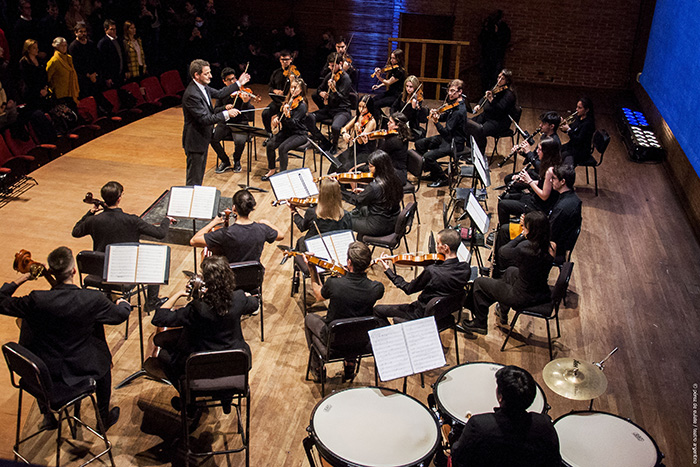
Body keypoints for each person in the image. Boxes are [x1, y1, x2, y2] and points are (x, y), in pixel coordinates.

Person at [0, 246, 131, 430]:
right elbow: (120, 315)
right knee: (103, 359)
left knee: (32, 337)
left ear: (51, 271)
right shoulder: (92, 298)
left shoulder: (37, 300)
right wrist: (123, 303)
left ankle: (47, 415)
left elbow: (0, 301)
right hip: (80, 367)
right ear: (74, 271)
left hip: (43, 370)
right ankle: (103, 418)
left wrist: (25, 276)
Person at [151, 255, 258, 399]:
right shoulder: (238, 298)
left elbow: (159, 318)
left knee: (163, 355)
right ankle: (225, 398)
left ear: (207, 282)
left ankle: (188, 401)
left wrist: (179, 294)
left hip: (202, 367)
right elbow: (254, 304)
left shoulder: (197, 308)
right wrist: (246, 296)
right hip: (235, 365)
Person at [71, 180, 172, 310]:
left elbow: (76, 232)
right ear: (119, 199)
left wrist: (90, 212)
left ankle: (107, 293)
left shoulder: (94, 220)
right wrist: (166, 220)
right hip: (126, 271)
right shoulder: (132, 220)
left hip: (101, 270)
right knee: (157, 259)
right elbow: (160, 233)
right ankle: (152, 301)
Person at [458, 211, 555, 336]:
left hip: (523, 296)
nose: (523, 229)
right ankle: (502, 312)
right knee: (510, 271)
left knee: (479, 283)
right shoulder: (551, 246)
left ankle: (480, 323)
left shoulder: (526, 248)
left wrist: (521, 235)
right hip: (541, 290)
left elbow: (504, 252)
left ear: (532, 230)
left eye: (525, 227)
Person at [450, 365, 561, 467]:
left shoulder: (479, 425)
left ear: (500, 398)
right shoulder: (544, 425)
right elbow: (554, 462)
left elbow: (458, 457)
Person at [304, 241, 384, 381]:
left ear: (349, 262)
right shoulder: (377, 288)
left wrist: (312, 268)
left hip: (334, 341)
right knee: (354, 322)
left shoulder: (335, 284)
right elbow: (358, 290)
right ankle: (350, 365)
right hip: (360, 341)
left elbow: (318, 295)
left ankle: (317, 369)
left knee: (309, 318)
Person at [374, 228, 472, 325]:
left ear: (446, 247)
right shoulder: (466, 268)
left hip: (421, 312)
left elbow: (408, 289)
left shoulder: (432, 271)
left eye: (438, 244)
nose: (436, 248)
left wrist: (388, 271)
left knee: (377, 310)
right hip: (444, 310)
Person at [181, 58, 250, 186]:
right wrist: (226, 114)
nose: (210, 76)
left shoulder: (203, 87)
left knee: (199, 176)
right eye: (206, 73)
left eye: (210, 72)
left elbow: (219, 93)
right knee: (194, 179)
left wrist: (239, 83)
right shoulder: (192, 94)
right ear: (197, 75)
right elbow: (205, 119)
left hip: (202, 139)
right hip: (195, 141)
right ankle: (190, 203)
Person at [190, 189, 283, 263]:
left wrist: (213, 223)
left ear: (234, 208)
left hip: (229, 281)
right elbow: (280, 236)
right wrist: (267, 223)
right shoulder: (262, 229)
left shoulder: (225, 233)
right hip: (253, 280)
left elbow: (194, 241)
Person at [414, 79, 468, 188]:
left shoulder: (459, 111)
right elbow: (446, 116)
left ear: (460, 92)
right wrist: (438, 115)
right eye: (449, 91)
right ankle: (434, 173)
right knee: (419, 144)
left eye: (453, 91)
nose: (450, 94)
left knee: (428, 156)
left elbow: (446, 132)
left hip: (454, 142)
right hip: (447, 137)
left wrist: (436, 122)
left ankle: (443, 178)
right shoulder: (453, 104)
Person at [497, 137, 561, 226]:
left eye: (540, 149)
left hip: (538, 207)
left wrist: (529, 181)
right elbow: (542, 184)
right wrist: (525, 181)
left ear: (547, 153)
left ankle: (506, 231)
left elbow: (544, 196)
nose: (537, 151)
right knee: (503, 198)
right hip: (533, 199)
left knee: (502, 205)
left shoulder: (551, 170)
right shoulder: (546, 164)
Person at [305, 52, 353, 154]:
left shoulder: (346, 79)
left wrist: (334, 90)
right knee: (309, 118)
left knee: (335, 127)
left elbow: (342, 99)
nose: (330, 68)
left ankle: (334, 146)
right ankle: (324, 142)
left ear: (340, 64)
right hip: (330, 109)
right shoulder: (330, 75)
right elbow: (318, 89)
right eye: (330, 65)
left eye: (332, 66)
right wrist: (321, 93)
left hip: (342, 110)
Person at [262, 78, 309, 180]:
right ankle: (272, 169)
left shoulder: (302, 105)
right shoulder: (288, 101)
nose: (293, 90)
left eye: (296, 88)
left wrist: (288, 116)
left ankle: (283, 175)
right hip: (287, 132)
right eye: (292, 87)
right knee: (270, 144)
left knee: (282, 148)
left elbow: (294, 124)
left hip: (299, 134)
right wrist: (277, 119)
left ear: (301, 90)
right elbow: (280, 115)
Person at [349, 150, 403, 239]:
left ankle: (356, 248)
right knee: (359, 210)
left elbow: (357, 200)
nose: (369, 169)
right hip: (394, 221)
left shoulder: (374, 187)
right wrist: (366, 192)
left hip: (379, 227)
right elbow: (384, 196)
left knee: (345, 220)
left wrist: (338, 192)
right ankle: (361, 244)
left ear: (379, 167)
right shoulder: (395, 177)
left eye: (371, 166)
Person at [211, 68, 253, 174]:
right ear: (224, 81)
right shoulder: (222, 94)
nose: (233, 82)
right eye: (229, 80)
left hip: (240, 123)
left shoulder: (242, 92)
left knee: (240, 141)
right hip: (225, 123)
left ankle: (236, 160)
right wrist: (225, 107)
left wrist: (245, 103)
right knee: (212, 139)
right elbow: (215, 111)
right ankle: (225, 161)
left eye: (234, 79)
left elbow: (249, 114)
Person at [465, 69, 517, 156]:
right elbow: (486, 97)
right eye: (499, 77)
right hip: (488, 116)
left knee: (479, 131)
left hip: (499, 121)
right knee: (468, 125)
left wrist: (491, 99)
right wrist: (479, 104)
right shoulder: (497, 88)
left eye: (502, 79)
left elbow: (501, 109)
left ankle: (478, 155)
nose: (499, 80)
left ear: (508, 81)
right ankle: (469, 152)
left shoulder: (509, 94)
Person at [262, 50, 300, 143]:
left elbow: (299, 88)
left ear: (291, 60)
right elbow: (270, 87)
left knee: (283, 118)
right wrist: (275, 91)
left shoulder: (295, 73)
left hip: (289, 103)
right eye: (283, 60)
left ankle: (285, 136)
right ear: (280, 60)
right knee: (265, 113)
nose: (285, 62)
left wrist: (292, 80)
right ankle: (269, 134)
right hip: (278, 102)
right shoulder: (276, 73)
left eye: (287, 60)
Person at [333, 94, 377, 173]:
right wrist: (344, 134)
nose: (361, 110)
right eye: (359, 106)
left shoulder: (371, 122)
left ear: (369, 107)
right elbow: (344, 128)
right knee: (335, 163)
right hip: (355, 148)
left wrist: (357, 129)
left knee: (345, 168)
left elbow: (360, 141)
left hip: (365, 152)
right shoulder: (359, 116)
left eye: (364, 107)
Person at [371, 48, 406, 121]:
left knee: (376, 105)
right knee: (372, 101)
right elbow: (388, 82)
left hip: (396, 96)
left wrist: (378, 77)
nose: (391, 60)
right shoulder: (393, 68)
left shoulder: (400, 71)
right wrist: (379, 86)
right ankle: (383, 118)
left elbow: (388, 82)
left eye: (394, 58)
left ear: (399, 59)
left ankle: (384, 121)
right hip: (390, 92)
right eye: (391, 58)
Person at [68, 23, 101, 99]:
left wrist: (95, 73)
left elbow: (96, 59)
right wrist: (88, 75)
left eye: (84, 31)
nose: (83, 34)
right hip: (83, 79)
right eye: (81, 32)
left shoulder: (91, 44)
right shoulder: (73, 47)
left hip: (94, 76)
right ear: (76, 33)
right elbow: (76, 64)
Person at [390, 75, 428, 140]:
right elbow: (393, 107)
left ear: (415, 87)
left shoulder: (418, 99)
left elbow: (415, 118)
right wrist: (393, 116)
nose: (408, 89)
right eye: (407, 86)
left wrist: (414, 108)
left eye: (411, 87)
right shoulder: (403, 95)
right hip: (400, 121)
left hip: (410, 125)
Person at [561, 97, 595, 166]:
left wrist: (568, 130)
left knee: (562, 156)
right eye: (577, 107)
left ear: (587, 110)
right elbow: (573, 130)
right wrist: (565, 125)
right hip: (573, 145)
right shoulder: (578, 117)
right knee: (557, 149)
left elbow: (578, 140)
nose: (577, 109)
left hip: (581, 151)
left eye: (580, 108)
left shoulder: (588, 124)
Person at [377, 112, 410, 184]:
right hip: (397, 170)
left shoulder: (394, 141)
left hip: (397, 175)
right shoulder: (402, 135)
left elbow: (379, 154)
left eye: (390, 122)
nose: (387, 123)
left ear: (397, 126)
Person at [46, 37, 80, 105]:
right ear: (57, 47)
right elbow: (47, 77)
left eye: (65, 45)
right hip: (60, 95)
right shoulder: (54, 61)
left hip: (71, 92)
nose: (64, 47)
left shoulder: (69, 58)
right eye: (62, 45)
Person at [96, 19, 124, 89]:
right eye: (111, 29)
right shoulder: (103, 43)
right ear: (106, 30)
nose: (114, 31)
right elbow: (102, 62)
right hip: (111, 76)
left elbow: (122, 55)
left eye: (115, 29)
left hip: (120, 74)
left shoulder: (118, 40)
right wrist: (107, 77)